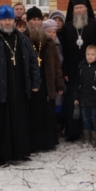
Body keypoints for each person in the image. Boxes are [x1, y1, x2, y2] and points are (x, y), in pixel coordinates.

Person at [0, 5, 41, 166]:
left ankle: (21, 151)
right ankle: (1, 155)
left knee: (20, 120)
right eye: (4, 19)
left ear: (14, 20)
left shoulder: (23, 39)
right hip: (0, 88)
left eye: (10, 19)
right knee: (1, 123)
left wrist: (35, 82)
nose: (7, 22)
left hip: (20, 86)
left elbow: (33, 62)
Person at [60, 0, 96, 143]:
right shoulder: (67, 27)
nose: (79, 10)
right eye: (76, 8)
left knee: (90, 100)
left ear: (87, 8)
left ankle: (92, 132)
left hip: (92, 70)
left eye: (81, 7)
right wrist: (65, 70)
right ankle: (73, 132)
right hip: (72, 70)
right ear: (73, 10)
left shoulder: (95, 25)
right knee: (73, 100)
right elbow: (63, 51)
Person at [26, 8, 64, 152]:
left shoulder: (48, 40)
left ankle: (48, 143)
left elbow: (57, 65)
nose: (36, 22)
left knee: (47, 113)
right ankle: (34, 143)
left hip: (47, 81)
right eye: (33, 19)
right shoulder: (23, 38)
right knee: (33, 113)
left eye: (38, 19)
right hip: (31, 82)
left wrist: (59, 83)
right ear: (28, 21)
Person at [74, 45, 96, 147]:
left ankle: (95, 139)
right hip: (83, 99)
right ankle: (86, 138)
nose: (90, 56)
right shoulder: (81, 66)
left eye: (92, 54)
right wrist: (76, 97)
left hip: (95, 99)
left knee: (95, 119)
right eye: (88, 54)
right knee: (85, 119)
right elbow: (76, 83)